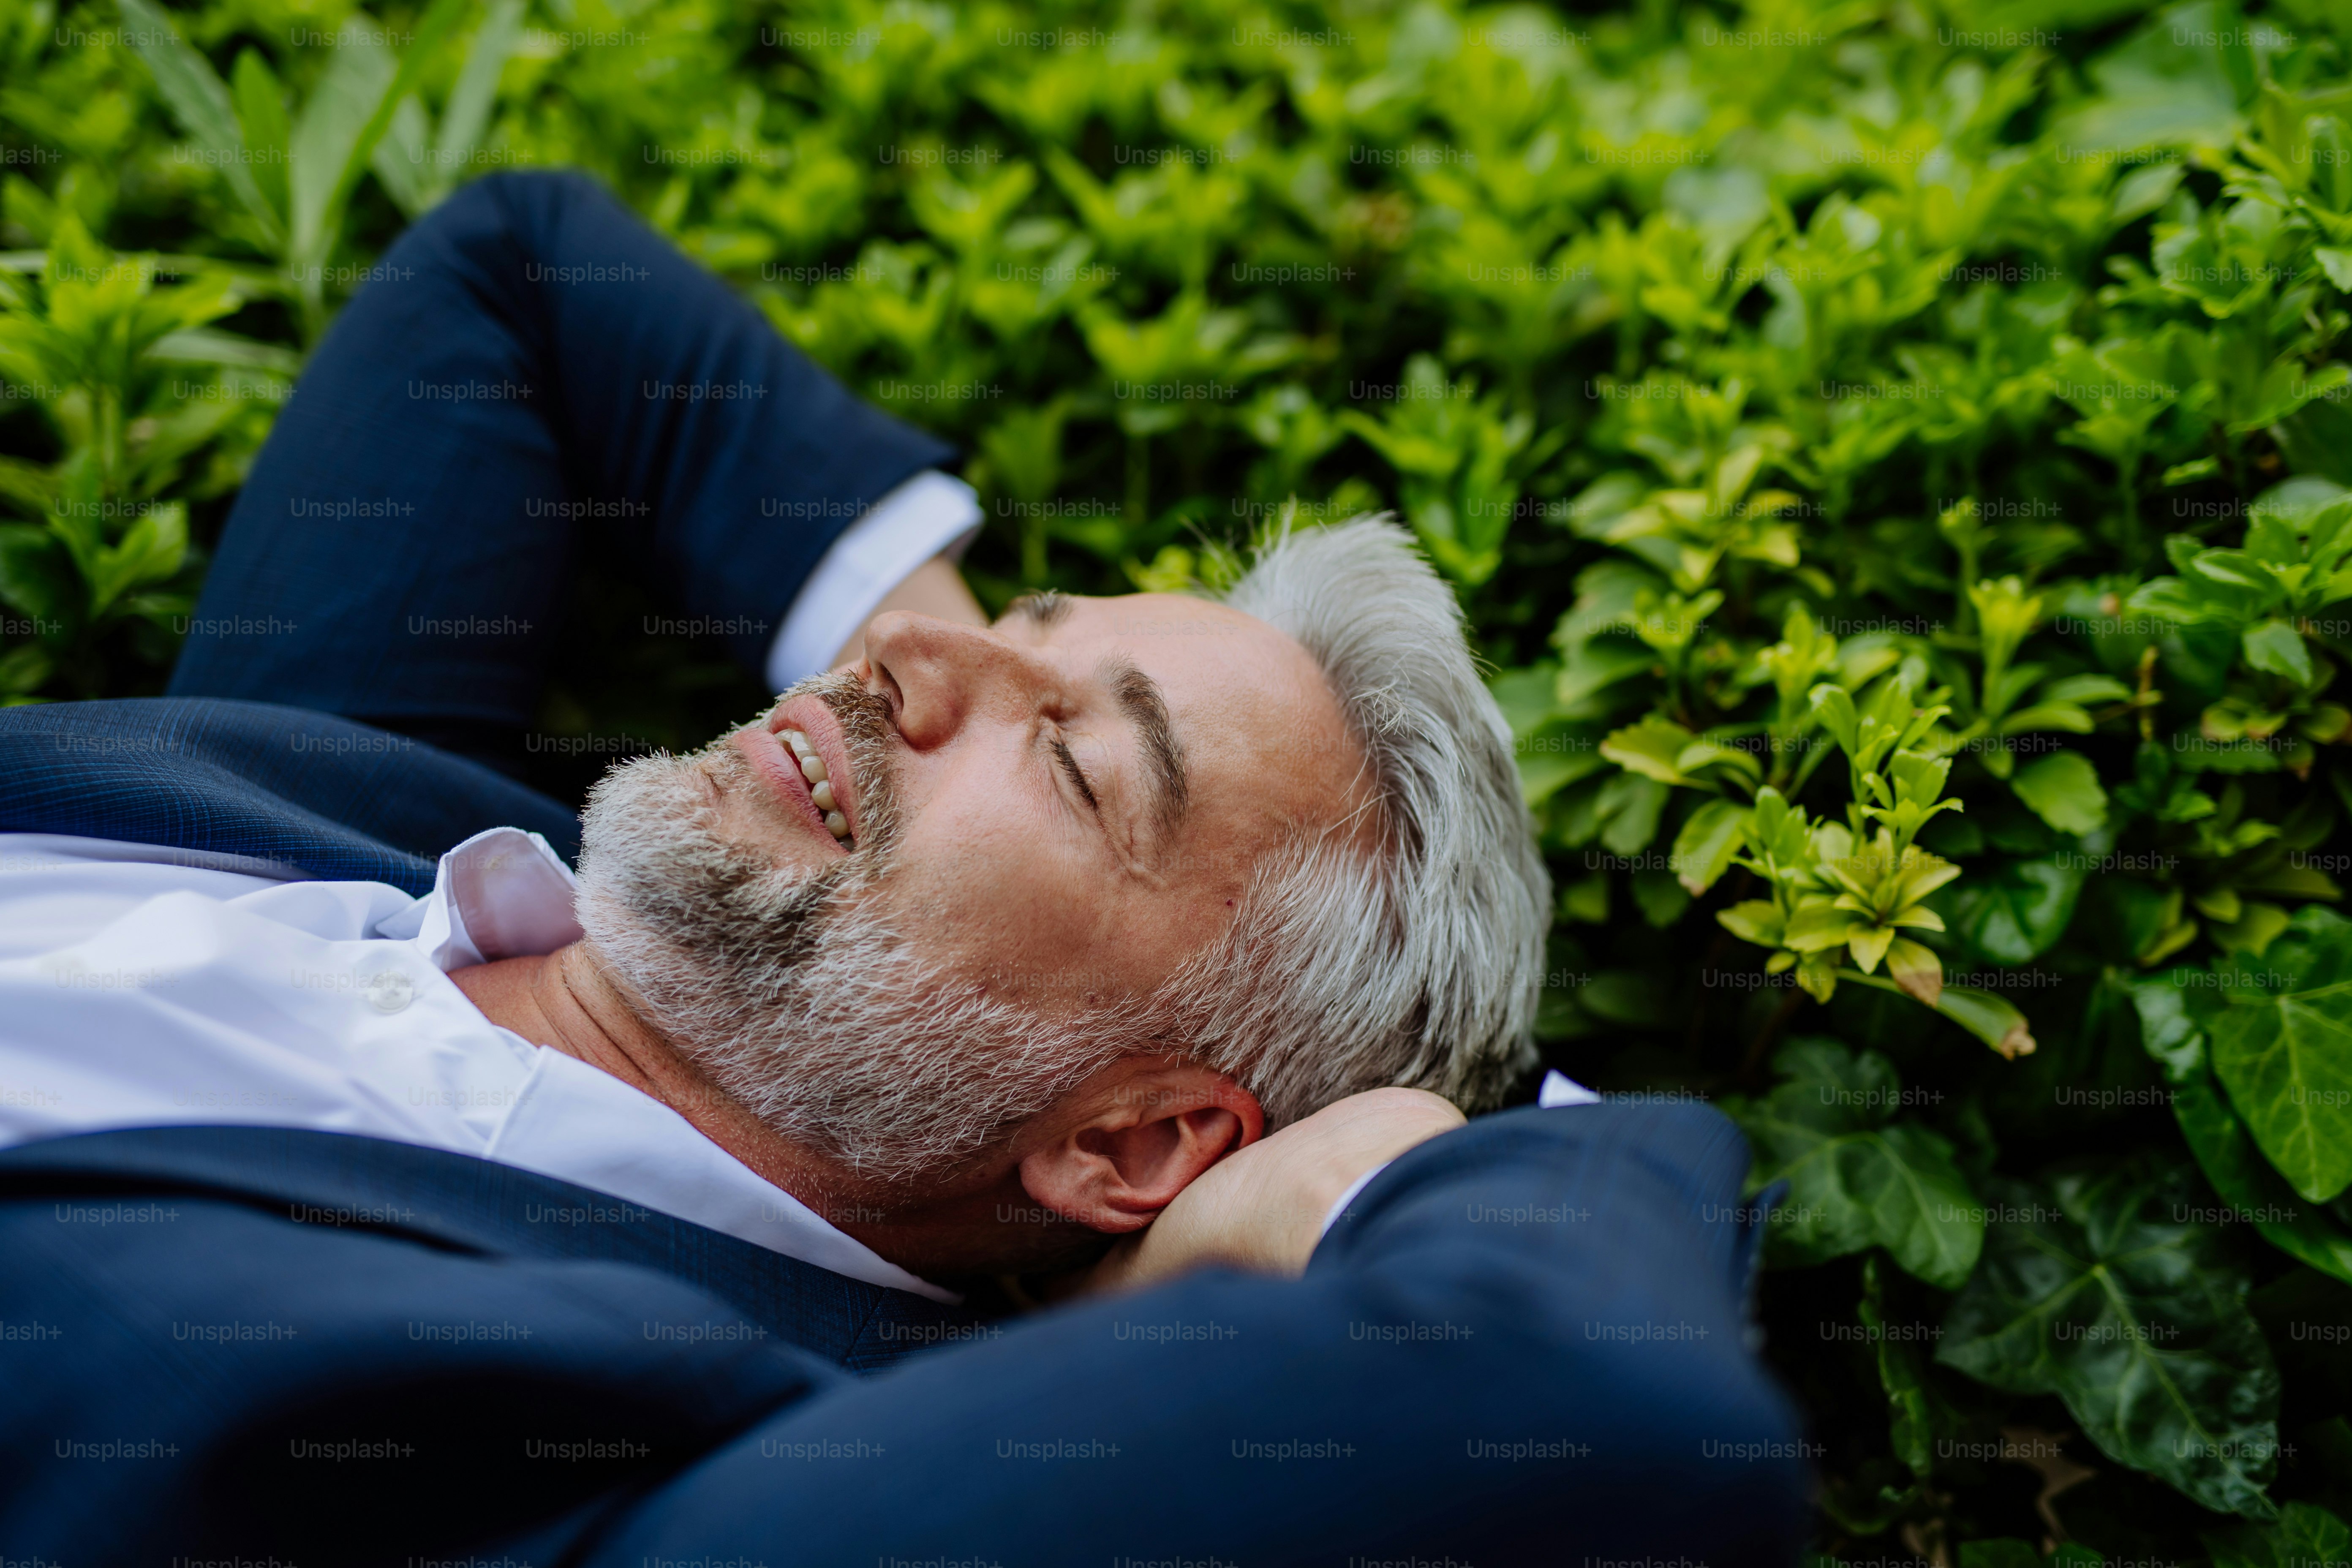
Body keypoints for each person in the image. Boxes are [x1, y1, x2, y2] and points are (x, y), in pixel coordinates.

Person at [0, 172, 1809, 1561]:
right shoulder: (330, 798)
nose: (900, 662)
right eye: (1012, 626)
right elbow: (523, 270)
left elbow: (1602, 1392)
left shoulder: (692, 1437)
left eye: (1081, 761)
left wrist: (1368, 1163)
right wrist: (935, 726)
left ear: (1134, 1142)